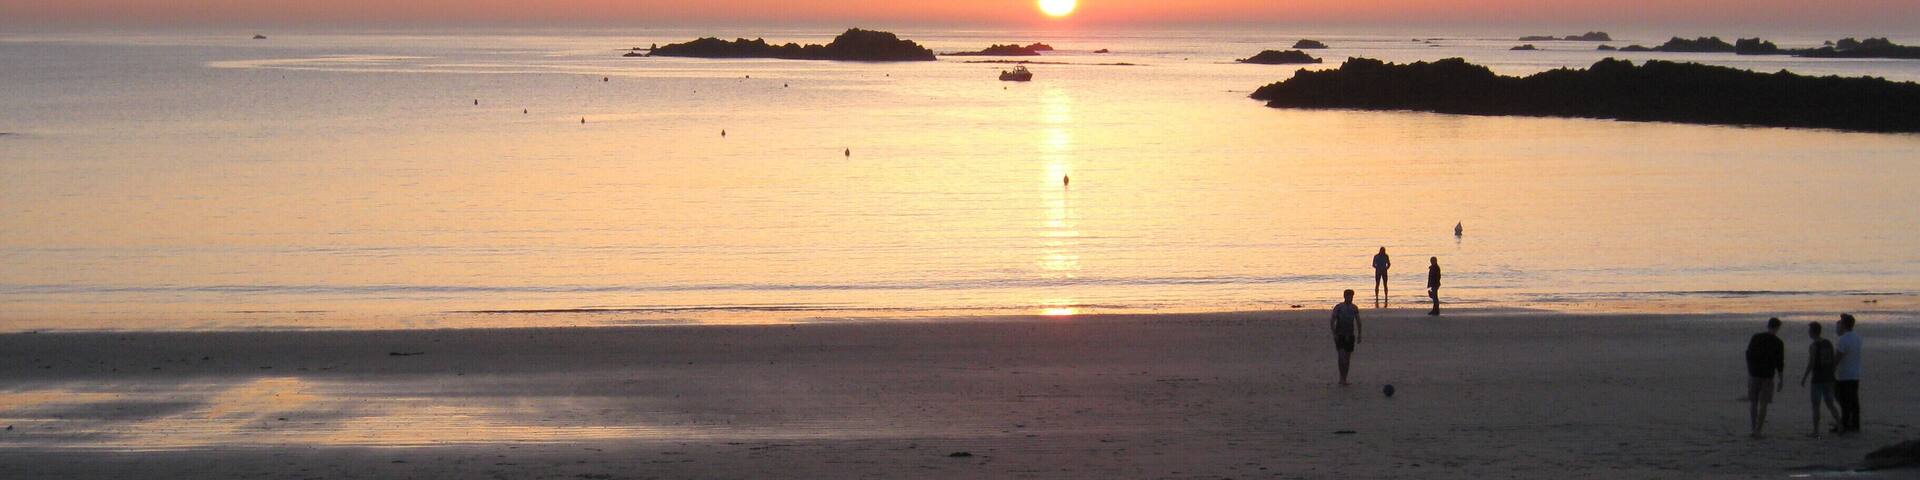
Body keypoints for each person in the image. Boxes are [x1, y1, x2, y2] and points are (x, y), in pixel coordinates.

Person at [1799, 321, 1842, 437]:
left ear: (1812, 332)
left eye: (1809, 331)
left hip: (1818, 379)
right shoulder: (1828, 343)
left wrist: (1804, 377)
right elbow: (1832, 359)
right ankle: (1840, 425)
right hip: (1829, 377)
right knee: (1830, 403)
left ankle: (1816, 431)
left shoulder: (1813, 346)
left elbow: (1811, 363)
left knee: (1816, 405)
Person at [1744, 317, 1785, 438]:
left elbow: (1748, 354)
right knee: (1763, 404)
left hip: (1755, 373)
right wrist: (1781, 379)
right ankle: (1758, 430)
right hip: (1767, 375)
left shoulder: (1756, 337)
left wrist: (1750, 369)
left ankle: (1753, 428)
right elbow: (1780, 363)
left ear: (1768, 326)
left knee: (1753, 402)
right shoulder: (1778, 343)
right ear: (1777, 328)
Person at [1834, 314, 1863, 434]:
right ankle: (1855, 423)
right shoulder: (1857, 337)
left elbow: (1838, 358)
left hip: (1845, 374)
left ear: (1844, 325)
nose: (1839, 324)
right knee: (1854, 400)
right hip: (1855, 372)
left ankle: (1845, 424)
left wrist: (1830, 370)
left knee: (1844, 400)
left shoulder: (1843, 339)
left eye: (1840, 322)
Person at [1330, 289, 1362, 386]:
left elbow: (1358, 322)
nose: (1349, 298)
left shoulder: (1354, 308)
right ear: (1344, 296)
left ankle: (1344, 378)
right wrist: (1334, 333)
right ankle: (1341, 378)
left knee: (1347, 359)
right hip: (1340, 335)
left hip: (1350, 335)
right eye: (1348, 296)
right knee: (1341, 357)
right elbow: (1332, 320)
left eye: (1351, 296)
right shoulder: (1339, 307)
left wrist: (1359, 334)